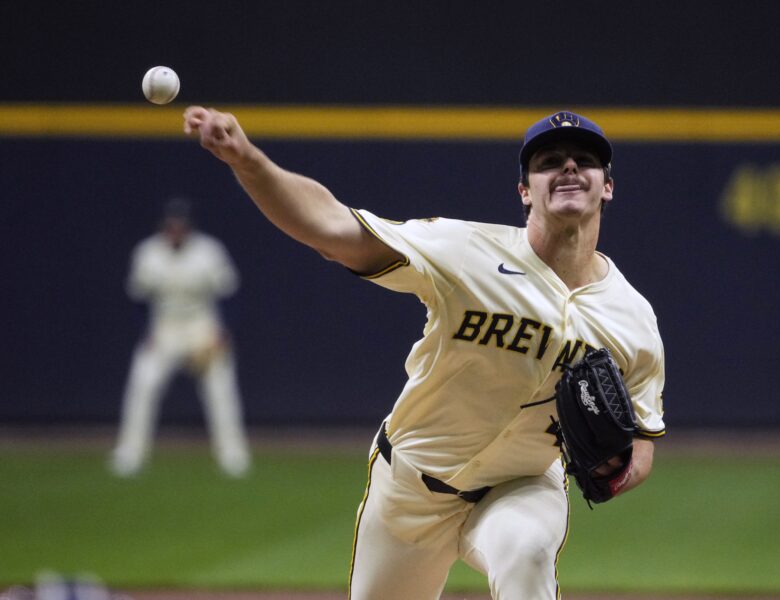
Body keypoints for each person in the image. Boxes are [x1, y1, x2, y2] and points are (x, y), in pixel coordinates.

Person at [183, 106, 666, 598]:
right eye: (549, 161)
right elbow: (331, 229)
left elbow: (643, 439)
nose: (569, 167)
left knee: (527, 554)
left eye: (585, 160)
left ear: (607, 185)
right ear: (525, 191)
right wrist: (247, 159)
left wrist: (615, 474)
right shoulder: (468, 252)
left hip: (522, 486)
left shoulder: (632, 317)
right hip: (410, 486)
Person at [110, 197, 251, 478]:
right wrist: (145, 332)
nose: (175, 229)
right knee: (143, 385)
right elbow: (137, 299)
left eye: (180, 225)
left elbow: (230, 295)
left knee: (221, 391)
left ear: (188, 226)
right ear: (164, 225)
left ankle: (232, 454)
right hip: (164, 327)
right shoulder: (148, 252)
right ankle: (130, 453)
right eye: (171, 225)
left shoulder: (208, 251)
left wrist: (222, 332)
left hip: (202, 326)